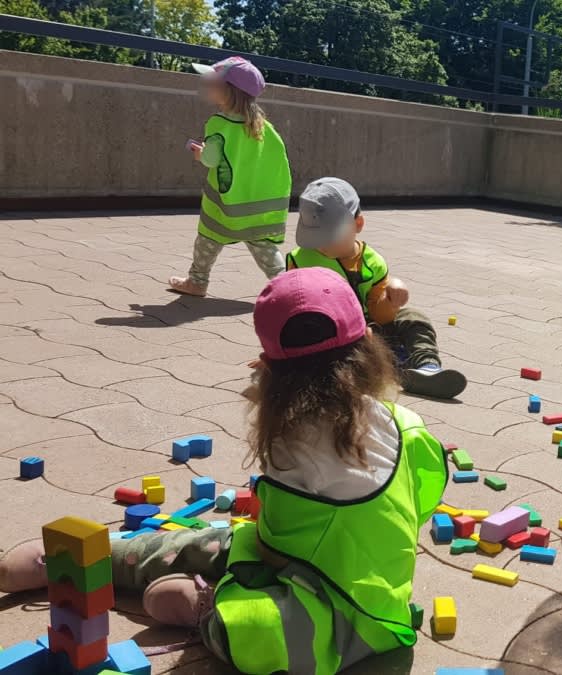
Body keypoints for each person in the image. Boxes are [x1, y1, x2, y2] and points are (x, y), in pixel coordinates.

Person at [0, 267, 448, 674]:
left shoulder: (291, 436)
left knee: (231, 583)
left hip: (343, 615)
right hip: (367, 595)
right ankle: (118, 563)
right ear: (369, 342)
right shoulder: (406, 425)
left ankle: (126, 570)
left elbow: (277, 531)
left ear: (270, 365)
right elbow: (427, 492)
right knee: (237, 552)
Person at [285, 177, 468, 400]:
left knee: (413, 317)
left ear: (358, 225)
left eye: (329, 236)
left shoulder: (373, 261)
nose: (321, 244)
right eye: (314, 237)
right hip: (332, 333)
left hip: (371, 327)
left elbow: (381, 316)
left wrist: (391, 298)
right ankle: (388, 369)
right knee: (340, 351)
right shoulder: (301, 260)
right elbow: (292, 311)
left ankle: (425, 367)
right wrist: (281, 354)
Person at [169, 57, 291, 297]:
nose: (207, 86)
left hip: (224, 204)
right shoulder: (263, 126)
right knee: (263, 247)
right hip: (253, 207)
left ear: (227, 91)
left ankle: (197, 282)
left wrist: (200, 154)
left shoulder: (218, 123)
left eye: (212, 82)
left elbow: (212, 160)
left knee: (208, 239)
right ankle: (290, 288)